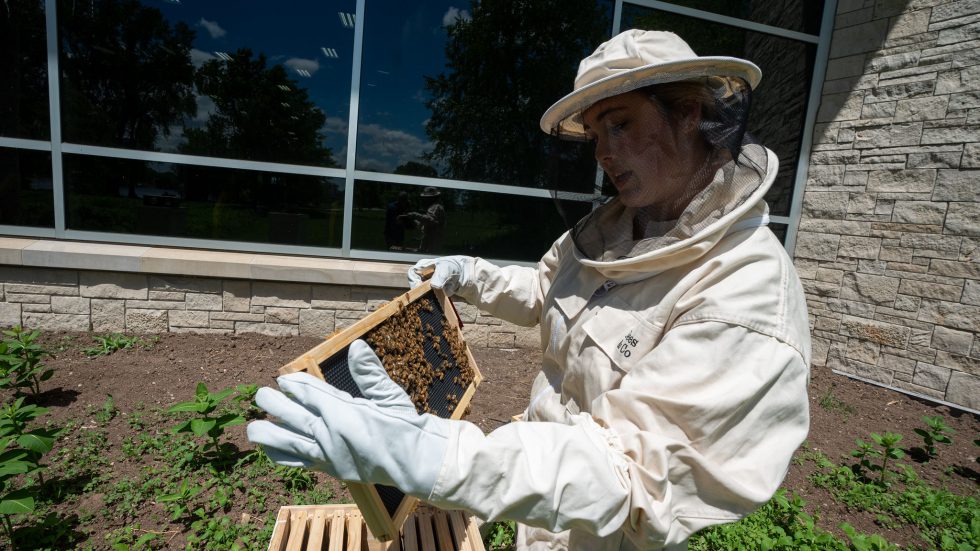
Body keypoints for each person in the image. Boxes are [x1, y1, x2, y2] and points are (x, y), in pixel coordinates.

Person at [248, 29, 810, 550]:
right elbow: (547, 288)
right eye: (594, 134)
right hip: (536, 508)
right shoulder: (615, 230)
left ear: (689, 114)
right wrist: (469, 275)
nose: (602, 154)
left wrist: (437, 456)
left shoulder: (744, 290)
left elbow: (632, 473)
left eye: (620, 124)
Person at [402, 186, 446, 253]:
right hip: (431, 241)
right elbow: (428, 222)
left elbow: (430, 220)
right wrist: (413, 220)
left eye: (426, 198)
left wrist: (415, 215)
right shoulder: (435, 207)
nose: (424, 200)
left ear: (431, 198)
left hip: (432, 242)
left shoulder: (435, 207)